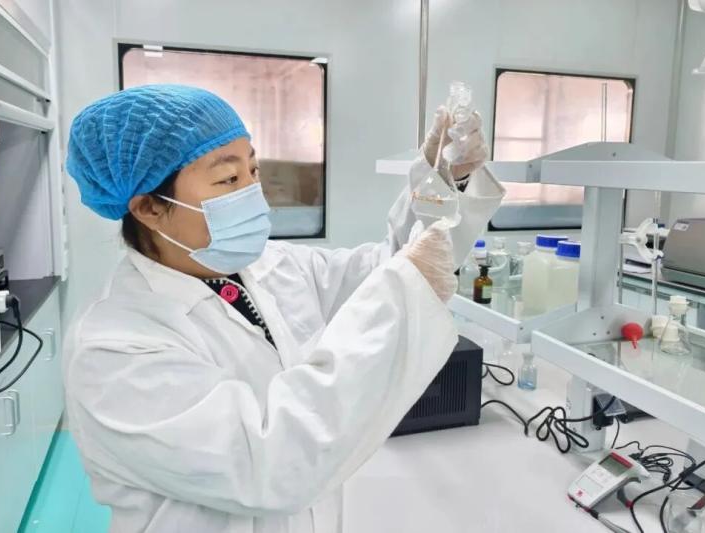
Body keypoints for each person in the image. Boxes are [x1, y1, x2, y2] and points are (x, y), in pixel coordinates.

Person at [63, 84, 504, 533]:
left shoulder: (271, 266)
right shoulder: (114, 347)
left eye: (253, 170)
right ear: (149, 208)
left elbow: (386, 270)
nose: (254, 192)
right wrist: (408, 287)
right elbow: (273, 463)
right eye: (228, 179)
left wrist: (443, 185)